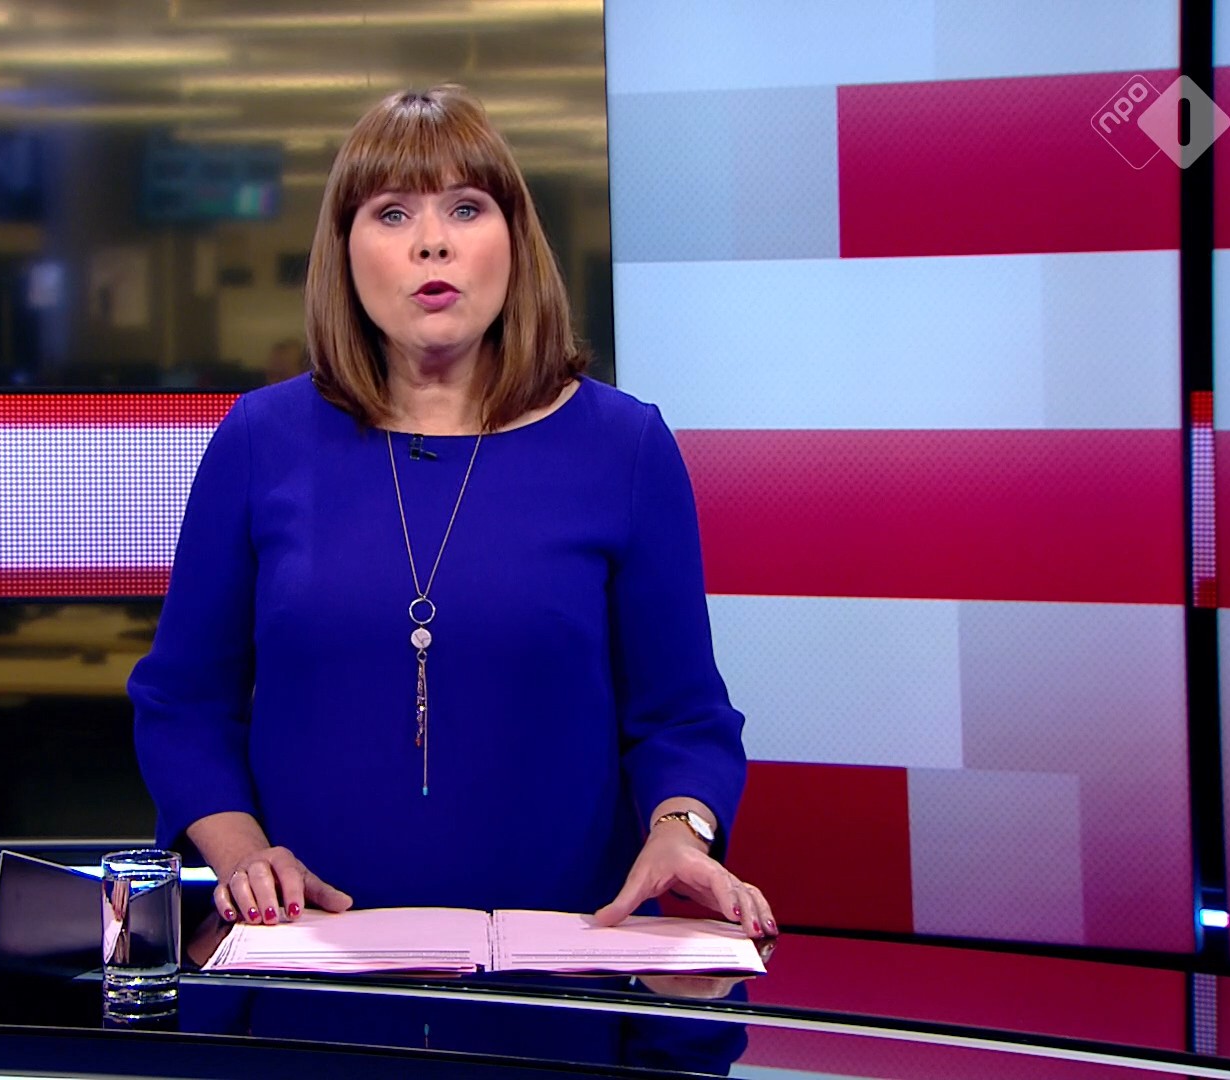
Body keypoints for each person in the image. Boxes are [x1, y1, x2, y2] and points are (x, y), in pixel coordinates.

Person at [130, 85, 774, 942]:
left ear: (515, 240)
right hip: (311, 957)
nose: (432, 241)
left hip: (560, 964)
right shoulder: (259, 441)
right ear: (344, 252)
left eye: (466, 208)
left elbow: (682, 716)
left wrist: (678, 831)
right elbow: (183, 703)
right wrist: (243, 854)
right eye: (392, 214)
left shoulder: (625, 447)